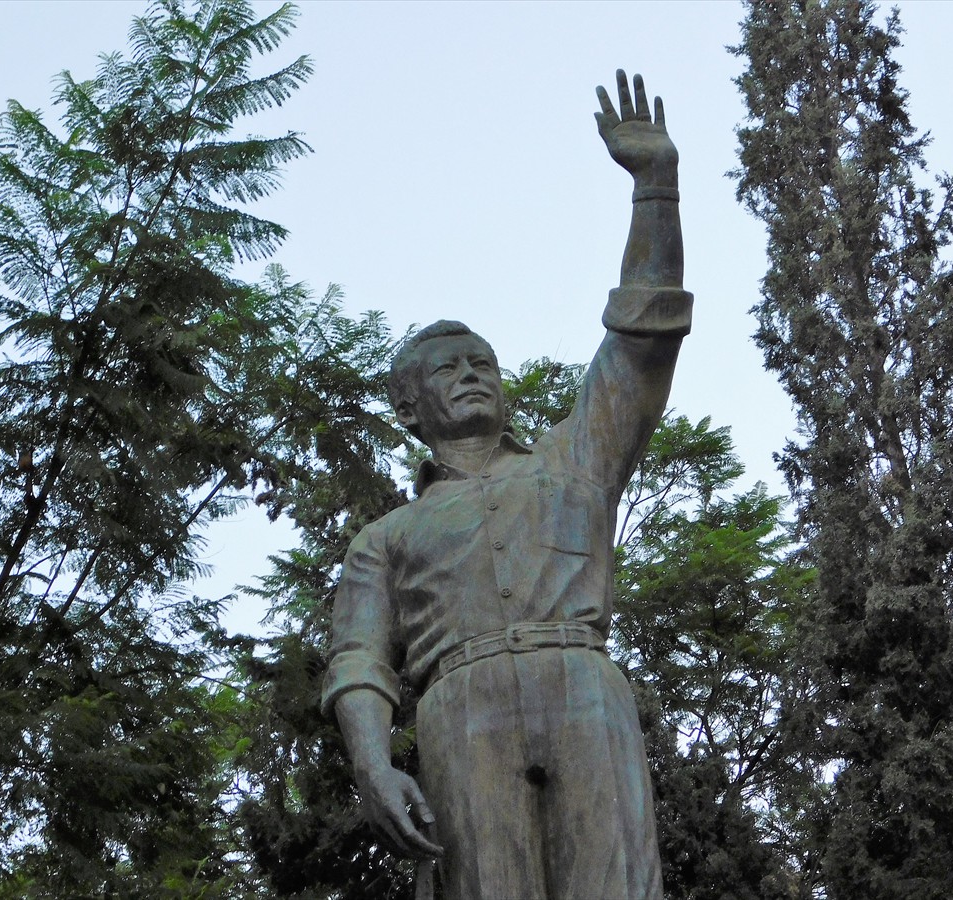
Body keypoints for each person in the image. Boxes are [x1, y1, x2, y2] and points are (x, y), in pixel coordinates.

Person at [321, 69, 688, 900]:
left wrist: (655, 192)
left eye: (482, 363)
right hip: (460, 707)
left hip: (584, 690)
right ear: (407, 406)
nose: (471, 375)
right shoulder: (384, 540)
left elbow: (641, 344)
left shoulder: (575, 461)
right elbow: (358, 663)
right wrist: (375, 765)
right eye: (447, 369)